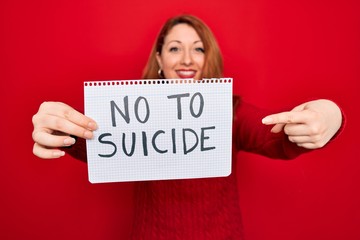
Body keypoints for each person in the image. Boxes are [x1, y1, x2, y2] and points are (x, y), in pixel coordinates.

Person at [32, 15, 343, 239]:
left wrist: (330, 114)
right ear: (159, 59)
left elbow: (277, 136)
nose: (187, 59)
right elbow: (94, 144)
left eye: (198, 48)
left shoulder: (230, 112)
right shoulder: (128, 111)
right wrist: (60, 132)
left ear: (209, 58)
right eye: (174, 48)